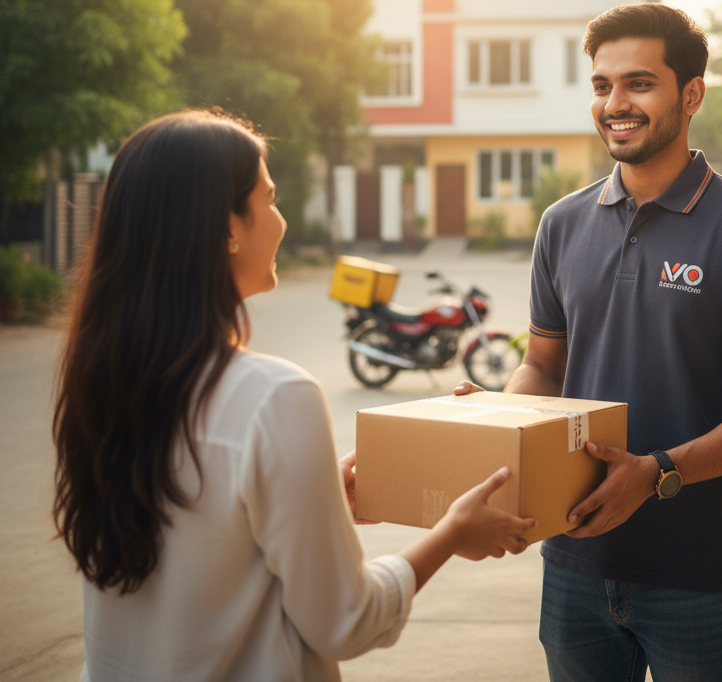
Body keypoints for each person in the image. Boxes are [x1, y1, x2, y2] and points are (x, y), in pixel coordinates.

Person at [53, 109, 534, 682]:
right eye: (270, 198)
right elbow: (346, 621)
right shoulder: (275, 398)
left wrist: (310, 491)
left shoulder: (102, 383)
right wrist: (452, 532)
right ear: (227, 227)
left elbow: (201, 542)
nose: (280, 221)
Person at [456, 3, 722, 682]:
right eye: (600, 85)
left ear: (692, 93)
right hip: (574, 562)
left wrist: (656, 472)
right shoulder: (560, 225)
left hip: (698, 573)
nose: (615, 104)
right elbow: (541, 365)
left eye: (638, 84)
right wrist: (497, 419)